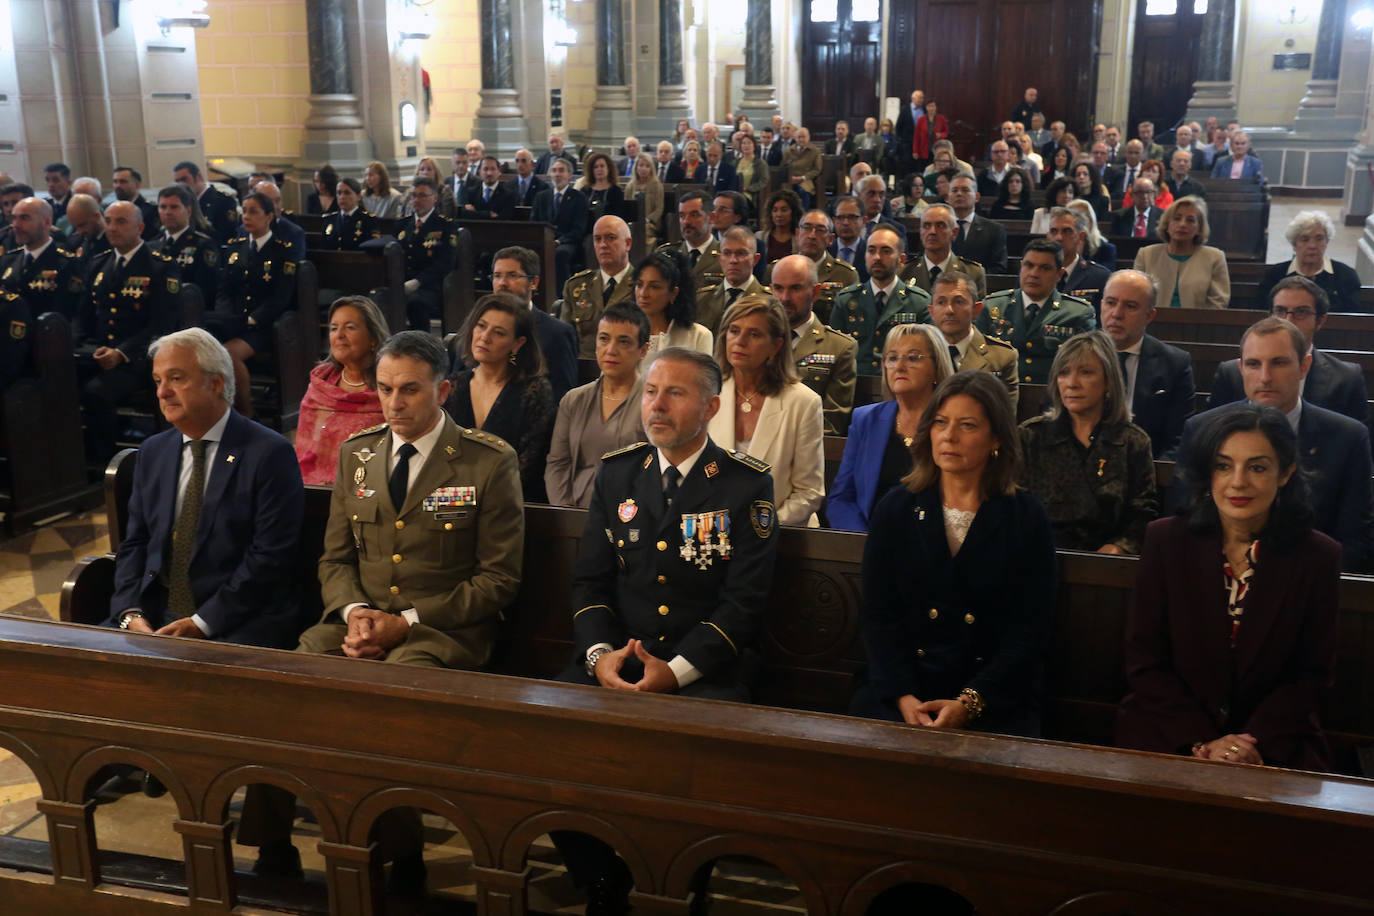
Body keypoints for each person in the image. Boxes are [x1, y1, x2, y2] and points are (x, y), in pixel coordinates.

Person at [241, 330, 524, 887]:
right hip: (354, 624)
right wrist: (353, 615)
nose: (394, 403)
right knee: (286, 689)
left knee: (385, 701)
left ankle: (401, 856)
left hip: (443, 632)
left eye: (410, 391)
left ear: (444, 390)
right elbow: (334, 560)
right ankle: (273, 844)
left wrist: (405, 623)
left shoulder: (485, 463)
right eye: (386, 389)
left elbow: (498, 580)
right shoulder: (359, 453)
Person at [552, 346, 778, 912]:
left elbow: (743, 605)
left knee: (693, 769)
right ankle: (602, 879)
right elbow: (590, 585)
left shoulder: (743, 485)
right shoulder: (619, 472)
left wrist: (675, 673)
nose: (656, 405)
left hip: (703, 668)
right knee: (547, 741)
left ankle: (679, 885)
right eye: (651, 391)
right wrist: (600, 654)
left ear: (710, 406)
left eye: (674, 393)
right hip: (620, 661)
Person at [1117, 405, 1340, 771]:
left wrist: (1246, 745)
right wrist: (1205, 739)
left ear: (1285, 473)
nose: (1238, 482)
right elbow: (1144, 662)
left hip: (1274, 742)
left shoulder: (1318, 557)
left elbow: (1312, 675)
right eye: (1223, 466)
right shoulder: (1164, 541)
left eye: (1257, 467)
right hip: (1170, 730)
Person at [852, 370, 1056, 736]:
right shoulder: (896, 508)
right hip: (902, 689)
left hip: (993, 696)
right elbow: (878, 618)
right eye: (941, 423)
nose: (949, 436)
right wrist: (904, 696)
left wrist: (971, 701)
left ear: (996, 438)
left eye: (967, 425)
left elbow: (1029, 630)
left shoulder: (1026, 517)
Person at [106, 327, 304, 646]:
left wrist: (202, 623)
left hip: (237, 620)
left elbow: (269, 558)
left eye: (176, 378)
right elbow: (135, 543)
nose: (162, 393)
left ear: (215, 383)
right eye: (158, 381)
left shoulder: (269, 453)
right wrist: (130, 614)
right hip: (154, 616)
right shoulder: (154, 452)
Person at [1177, 317, 1374, 572]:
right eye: (1253, 364)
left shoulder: (1348, 437)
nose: (1265, 377)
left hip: (1308, 586)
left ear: (1304, 365)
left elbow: (1355, 539)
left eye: (1279, 363)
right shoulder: (1200, 429)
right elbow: (1184, 519)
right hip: (1216, 579)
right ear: (1241, 368)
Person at [1018, 331, 1158, 555]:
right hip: (1038, 558)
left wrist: (1120, 547)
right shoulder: (1031, 436)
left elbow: (1142, 512)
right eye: (1063, 373)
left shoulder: (1133, 441)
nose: (1072, 383)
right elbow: (1013, 507)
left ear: (1108, 382)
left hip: (1107, 566)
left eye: (1086, 373)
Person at [76, 201, 181, 463]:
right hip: (97, 353)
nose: (112, 228)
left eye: (121, 222)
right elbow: (83, 317)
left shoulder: (159, 266)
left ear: (140, 227)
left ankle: (106, 464)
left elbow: (162, 326)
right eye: (109, 221)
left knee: (95, 392)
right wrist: (75, 346)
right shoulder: (99, 264)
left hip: (139, 359)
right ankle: (70, 465)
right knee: (57, 382)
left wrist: (122, 353)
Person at [708, 296, 825, 526]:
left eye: (754, 334)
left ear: (776, 345)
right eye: (733, 330)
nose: (739, 341)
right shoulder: (707, 394)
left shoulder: (803, 402)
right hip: (712, 533)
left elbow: (809, 492)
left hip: (783, 534)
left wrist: (761, 527)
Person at [829, 324, 955, 531]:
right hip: (869, 541)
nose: (900, 366)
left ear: (936, 367)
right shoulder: (865, 419)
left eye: (913, 358)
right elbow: (842, 498)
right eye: (893, 358)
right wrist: (864, 542)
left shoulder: (951, 422)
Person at [1207, 276, 1367, 425]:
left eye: (1301, 312)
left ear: (1320, 321)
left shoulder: (1346, 378)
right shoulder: (1231, 373)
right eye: (1280, 311)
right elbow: (1212, 433)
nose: (1288, 320)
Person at [444, 292, 556, 503]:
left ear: (517, 343)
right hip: (454, 503)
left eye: (499, 333)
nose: (484, 337)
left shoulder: (535, 391)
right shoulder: (453, 385)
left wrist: (476, 500)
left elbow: (527, 466)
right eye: (481, 326)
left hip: (513, 503)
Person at [545, 303, 649, 507]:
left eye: (624, 342)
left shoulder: (653, 402)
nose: (611, 350)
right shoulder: (574, 400)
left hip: (633, 518)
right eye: (604, 339)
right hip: (576, 513)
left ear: (643, 350)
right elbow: (557, 463)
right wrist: (566, 514)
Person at [975, 238, 1096, 386]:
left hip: (1053, 398)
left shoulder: (1077, 313)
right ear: (1021, 266)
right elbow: (977, 359)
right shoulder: (993, 306)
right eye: (1029, 265)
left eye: (1045, 268)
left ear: (1059, 274)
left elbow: (1084, 366)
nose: (1034, 274)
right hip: (999, 395)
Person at [294, 296, 390, 485]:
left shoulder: (389, 387)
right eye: (334, 328)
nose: (339, 335)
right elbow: (304, 450)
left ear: (373, 337)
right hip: (310, 488)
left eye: (350, 327)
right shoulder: (320, 384)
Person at [1101, 269, 1194, 459]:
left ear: (1149, 315)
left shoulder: (1174, 364)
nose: (1117, 314)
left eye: (1130, 306)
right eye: (1111, 303)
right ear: (1101, 305)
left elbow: (1179, 440)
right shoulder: (1075, 355)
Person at [772, 254, 857, 435]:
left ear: (816, 292)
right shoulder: (758, 340)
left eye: (795, 289)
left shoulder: (839, 347)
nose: (784, 298)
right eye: (778, 288)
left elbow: (830, 422)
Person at [832, 226, 932, 377]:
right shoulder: (846, 300)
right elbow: (835, 352)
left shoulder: (919, 302)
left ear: (901, 260)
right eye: (871, 251)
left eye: (886, 251)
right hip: (855, 388)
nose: (877, 257)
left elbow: (927, 355)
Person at [490, 246, 578, 402]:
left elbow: (563, 399)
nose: (502, 283)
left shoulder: (556, 333)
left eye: (512, 275)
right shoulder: (479, 327)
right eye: (497, 276)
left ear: (534, 282)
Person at [928, 269, 1017, 408]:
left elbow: (1004, 421)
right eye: (941, 302)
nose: (949, 310)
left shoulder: (1002, 358)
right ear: (931, 311)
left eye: (958, 301)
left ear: (976, 309)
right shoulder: (919, 354)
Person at [1134, 196, 1230, 310]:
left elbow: (1218, 302)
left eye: (1190, 220)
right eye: (1177, 218)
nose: (1182, 224)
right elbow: (1136, 295)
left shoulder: (1214, 258)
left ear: (1199, 228)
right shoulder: (1146, 254)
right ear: (1167, 224)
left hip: (1199, 324)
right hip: (1151, 323)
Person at [1258, 210, 1363, 313]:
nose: (1312, 246)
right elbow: (1263, 315)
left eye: (1319, 239)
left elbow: (1354, 319)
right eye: (1305, 239)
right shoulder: (1275, 275)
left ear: (1327, 242)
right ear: (1294, 245)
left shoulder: (1346, 275)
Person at [562, 214, 635, 358]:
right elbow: (565, 339)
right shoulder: (576, 286)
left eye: (610, 238)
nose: (603, 245)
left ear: (627, 244)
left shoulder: (642, 285)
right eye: (598, 239)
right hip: (583, 370)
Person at [0, 197, 84, 320]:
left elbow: (71, 312)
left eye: (24, 218)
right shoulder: (8, 260)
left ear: (47, 223)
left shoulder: (66, 263)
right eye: (14, 218)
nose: (16, 225)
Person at [396, 177, 458, 330]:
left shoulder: (445, 226)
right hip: (402, 282)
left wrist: (418, 281)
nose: (417, 200)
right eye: (414, 195)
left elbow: (446, 263)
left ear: (435, 198)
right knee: (379, 298)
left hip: (431, 284)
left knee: (416, 303)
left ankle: (422, 345)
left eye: (422, 195)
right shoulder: (402, 224)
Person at [635, 248, 712, 366]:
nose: (643, 293)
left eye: (654, 287)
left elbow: (704, 382)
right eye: (639, 285)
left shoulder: (698, 335)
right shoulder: (626, 332)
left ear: (673, 293)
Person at [150, 183, 221, 308]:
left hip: (188, 312)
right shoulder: (152, 245)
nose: (168, 212)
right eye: (163, 207)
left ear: (188, 211)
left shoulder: (203, 245)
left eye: (174, 207)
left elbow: (207, 290)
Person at [899, 203, 987, 300]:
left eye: (940, 226)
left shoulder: (972, 273)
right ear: (920, 232)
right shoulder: (904, 272)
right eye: (926, 226)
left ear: (954, 232)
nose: (932, 232)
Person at [789, 209, 859, 323]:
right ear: (797, 234)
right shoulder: (778, 270)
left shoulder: (846, 275)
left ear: (831, 239)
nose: (812, 235)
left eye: (820, 230)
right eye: (807, 228)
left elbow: (851, 320)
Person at [531, 158, 591, 291]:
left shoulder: (579, 198)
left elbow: (579, 229)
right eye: (554, 171)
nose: (557, 174)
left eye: (561, 171)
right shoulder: (541, 197)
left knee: (559, 254)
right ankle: (536, 291)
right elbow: (534, 222)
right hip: (543, 240)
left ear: (569, 174)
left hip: (568, 242)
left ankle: (562, 294)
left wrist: (559, 241)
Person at [696, 226, 765, 333]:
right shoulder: (702, 299)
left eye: (741, 253)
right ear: (720, 259)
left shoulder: (768, 301)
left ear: (755, 259)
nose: (733, 260)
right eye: (727, 253)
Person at [1046, 206, 1111, 311]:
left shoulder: (1100, 277)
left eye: (1067, 231)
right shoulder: (1035, 273)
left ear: (1081, 236)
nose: (1059, 237)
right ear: (1048, 237)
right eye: (1054, 231)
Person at [660, 189, 723, 289]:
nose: (686, 221)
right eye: (682, 216)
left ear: (711, 217)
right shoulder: (666, 254)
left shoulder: (725, 255)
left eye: (694, 215)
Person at [947, 174, 1008, 273]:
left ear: (977, 197)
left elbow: (998, 267)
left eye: (965, 190)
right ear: (948, 198)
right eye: (954, 190)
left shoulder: (994, 230)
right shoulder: (937, 227)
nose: (959, 194)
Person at [172, 160, 239, 244]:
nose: (181, 185)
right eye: (177, 182)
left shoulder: (223, 201)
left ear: (198, 177)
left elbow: (227, 237)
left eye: (184, 179)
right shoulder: (181, 204)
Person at [318, 177, 380, 251]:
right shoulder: (329, 219)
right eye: (339, 193)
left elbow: (372, 249)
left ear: (358, 196)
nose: (342, 197)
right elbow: (323, 249)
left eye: (347, 193)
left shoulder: (369, 220)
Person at [622, 153, 664, 246]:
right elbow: (626, 207)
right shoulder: (630, 186)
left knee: (643, 231)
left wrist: (647, 219)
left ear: (651, 169)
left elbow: (659, 209)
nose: (644, 169)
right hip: (632, 223)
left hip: (651, 224)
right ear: (636, 168)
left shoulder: (657, 185)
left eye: (647, 166)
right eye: (641, 165)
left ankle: (644, 258)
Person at [1065, 198, 1117, 270]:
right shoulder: (1060, 247)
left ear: (1091, 222)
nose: (1075, 223)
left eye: (1080, 219)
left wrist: (1078, 257)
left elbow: (1105, 277)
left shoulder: (1106, 249)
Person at [112, 166, 161, 240]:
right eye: (115, 182)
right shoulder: (111, 210)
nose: (118, 185)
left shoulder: (151, 210)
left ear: (137, 184)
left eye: (123, 182)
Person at [575, 151, 626, 222]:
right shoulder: (584, 191)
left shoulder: (616, 191)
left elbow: (618, 217)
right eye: (595, 167)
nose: (599, 169)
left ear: (608, 168)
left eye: (602, 166)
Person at [758, 188, 802, 269]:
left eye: (784, 210)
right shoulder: (760, 237)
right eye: (775, 210)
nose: (779, 214)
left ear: (793, 212)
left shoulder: (800, 237)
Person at [782, 127, 821, 208]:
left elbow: (817, 169)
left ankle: (803, 215)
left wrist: (803, 177)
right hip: (790, 180)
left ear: (808, 137)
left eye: (803, 137)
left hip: (805, 180)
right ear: (795, 138)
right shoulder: (789, 151)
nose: (801, 139)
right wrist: (790, 177)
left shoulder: (815, 151)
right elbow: (782, 167)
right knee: (785, 194)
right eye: (799, 137)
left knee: (803, 192)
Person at [913, 100, 949, 171]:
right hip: (923, 149)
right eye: (929, 106)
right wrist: (915, 151)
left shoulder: (941, 118)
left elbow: (946, 132)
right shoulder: (921, 119)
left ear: (936, 107)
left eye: (933, 106)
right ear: (926, 107)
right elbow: (916, 137)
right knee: (924, 169)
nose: (931, 108)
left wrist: (941, 135)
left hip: (937, 149)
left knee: (936, 168)